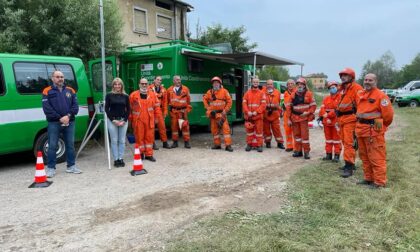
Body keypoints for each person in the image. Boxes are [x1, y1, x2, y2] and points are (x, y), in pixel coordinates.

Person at [355, 73, 394, 188]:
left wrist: (378, 128)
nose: (367, 82)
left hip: (373, 131)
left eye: (370, 80)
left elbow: (388, 117)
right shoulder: (360, 94)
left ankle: (379, 182)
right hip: (361, 130)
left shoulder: (381, 96)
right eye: (366, 79)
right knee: (364, 157)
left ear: (375, 82)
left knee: (376, 157)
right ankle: (368, 178)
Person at [42, 70, 81, 177]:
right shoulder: (47, 91)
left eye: (62, 77)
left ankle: (71, 166)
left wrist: (67, 116)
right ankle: (51, 169)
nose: (60, 78)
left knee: (70, 145)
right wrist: (60, 118)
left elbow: (75, 107)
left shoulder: (70, 90)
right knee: (52, 145)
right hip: (54, 123)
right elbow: (47, 109)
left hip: (70, 121)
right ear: (52, 78)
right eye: (58, 76)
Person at [336, 68, 363, 177]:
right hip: (342, 119)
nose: (343, 77)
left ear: (351, 77)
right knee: (344, 141)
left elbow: (360, 105)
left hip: (351, 119)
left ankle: (349, 166)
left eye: (345, 75)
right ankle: (349, 162)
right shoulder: (342, 89)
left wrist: (358, 120)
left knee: (349, 143)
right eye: (342, 75)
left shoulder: (357, 88)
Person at [285, 77, 316, 159]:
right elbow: (288, 107)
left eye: (301, 84)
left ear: (305, 85)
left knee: (305, 136)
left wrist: (308, 112)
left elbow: (313, 106)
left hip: (304, 119)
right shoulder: (293, 94)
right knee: (297, 136)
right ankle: (298, 151)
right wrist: (288, 118)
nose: (300, 86)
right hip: (294, 118)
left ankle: (306, 152)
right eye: (298, 84)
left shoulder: (309, 94)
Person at [129, 78, 159, 162]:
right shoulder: (133, 95)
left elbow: (157, 107)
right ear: (139, 84)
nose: (144, 85)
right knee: (139, 138)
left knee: (149, 138)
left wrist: (157, 118)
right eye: (142, 83)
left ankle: (149, 154)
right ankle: (140, 154)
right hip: (138, 120)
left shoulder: (153, 95)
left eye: (146, 83)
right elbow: (129, 108)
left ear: (148, 84)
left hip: (149, 119)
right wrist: (130, 119)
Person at [203, 76, 233, 152]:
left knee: (226, 130)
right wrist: (208, 109)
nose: (215, 84)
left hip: (222, 114)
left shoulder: (224, 91)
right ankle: (217, 145)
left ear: (220, 84)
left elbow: (229, 102)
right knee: (214, 130)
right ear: (212, 84)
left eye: (217, 83)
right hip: (213, 114)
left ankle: (228, 145)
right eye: (214, 83)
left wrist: (225, 110)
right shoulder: (209, 92)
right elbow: (204, 99)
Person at [105, 78, 130, 167]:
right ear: (113, 86)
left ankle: (121, 158)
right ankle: (116, 159)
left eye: (119, 84)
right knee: (114, 140)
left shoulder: (126, 96)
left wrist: (124, 120)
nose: (117, 86)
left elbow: (128, 109)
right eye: (115, 84)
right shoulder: (109, 95)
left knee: (122, 140)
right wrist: (113, 120)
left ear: (121, 85)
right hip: (112, 121)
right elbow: (106, 109)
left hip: (123, 120)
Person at [319, 81, 341, 162]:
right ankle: (328, 154)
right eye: (330, 88)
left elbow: (337, 110)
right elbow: (322, 108)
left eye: (333, 87)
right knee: (328, 139)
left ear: (337, 87)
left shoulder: (340, 97)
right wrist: (324, 114)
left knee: (336, 139)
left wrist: (327, 115)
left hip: (335, 122)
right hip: (326, 122)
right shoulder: (326, 98)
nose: (332, 89)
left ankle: (337, 155)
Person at [167, 75, 192, 148]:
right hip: (174, 112)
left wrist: (187, 110)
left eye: (179, 80)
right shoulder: (169, 90)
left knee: (185, 127)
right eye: (177, 80)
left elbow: (188, 101)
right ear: (173, 81)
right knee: (174, 128)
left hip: (183, 112)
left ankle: (186, 142)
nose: (179, 81)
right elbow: (167, 101)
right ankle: (175, 142)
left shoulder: (185, 89)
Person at [243, 77, 266, 152]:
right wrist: (247, 112)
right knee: (249, 132)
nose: (255, 83)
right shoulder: (247, 93)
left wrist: (256, 112)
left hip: (258, 116)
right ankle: (249, 144)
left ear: (258, 83)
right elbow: (244, 103)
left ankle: (259, 145)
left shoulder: (262, 93)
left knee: (259, 132)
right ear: (252, 83)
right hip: (249, 116)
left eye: (257, 82)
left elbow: (263, 105)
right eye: (254, 82)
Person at [149, 76, 171, 149]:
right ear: (154, 80)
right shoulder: (149, 89)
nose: (159, 81)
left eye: (160, 80)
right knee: (151, 128)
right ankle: (152, 143)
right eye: (157, 80)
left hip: (160, 111)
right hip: (151, 111)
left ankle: (165, 142)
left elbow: (165, 102)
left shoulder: (164, 90)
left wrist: (165, 112)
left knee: (162, 128)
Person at [263, 79, 285, 149]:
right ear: (266, 85)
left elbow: (281, 103)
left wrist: (280, 112)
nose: (269, 85)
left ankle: (280, 143)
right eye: (268, 84)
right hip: (265, 114)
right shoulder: (262, 92)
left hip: (275, 115)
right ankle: (268, 142)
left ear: (273, 85)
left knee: (277, 130)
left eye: (271, 84)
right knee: (266, 130)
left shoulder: (277, 92)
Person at [282, 79, 296, 152]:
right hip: (286, 115)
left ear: (294, 84)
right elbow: (283, 104)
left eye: (291, 83)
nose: (290, 85)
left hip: (295, 115)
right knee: (287, 131)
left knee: (295, 132)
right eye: (288, 84)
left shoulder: (297, 93)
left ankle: (296, 147)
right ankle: (289, 146)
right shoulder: (285, 94)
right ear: (287, 85)